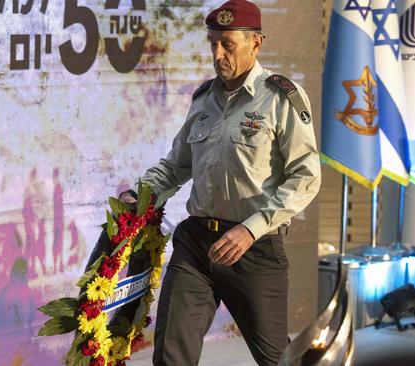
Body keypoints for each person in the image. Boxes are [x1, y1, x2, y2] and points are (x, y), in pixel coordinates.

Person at [120, 0, 321, 364]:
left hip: (254, 249)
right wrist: (139, 195)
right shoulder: (203, 100)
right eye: (213, 42)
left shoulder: (280, 96)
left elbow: (305, 177)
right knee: (169, 356)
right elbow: (176, 166)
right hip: (196, 245)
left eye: (227, 44)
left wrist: (250, 229)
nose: (217, 53)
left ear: (256, 43)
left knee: (278, 360)